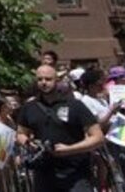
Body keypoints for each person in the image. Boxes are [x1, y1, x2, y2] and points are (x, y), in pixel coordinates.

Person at [16, 64, 104, 192]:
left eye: (48, 79)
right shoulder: (29, 107)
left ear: (57, 81)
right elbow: (20, 133)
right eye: (40, 79)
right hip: (44, 173)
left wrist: (70, 149)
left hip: (75, 174)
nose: (44, 83)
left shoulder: (75, 105)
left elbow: (98, 137)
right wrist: (28, 143)